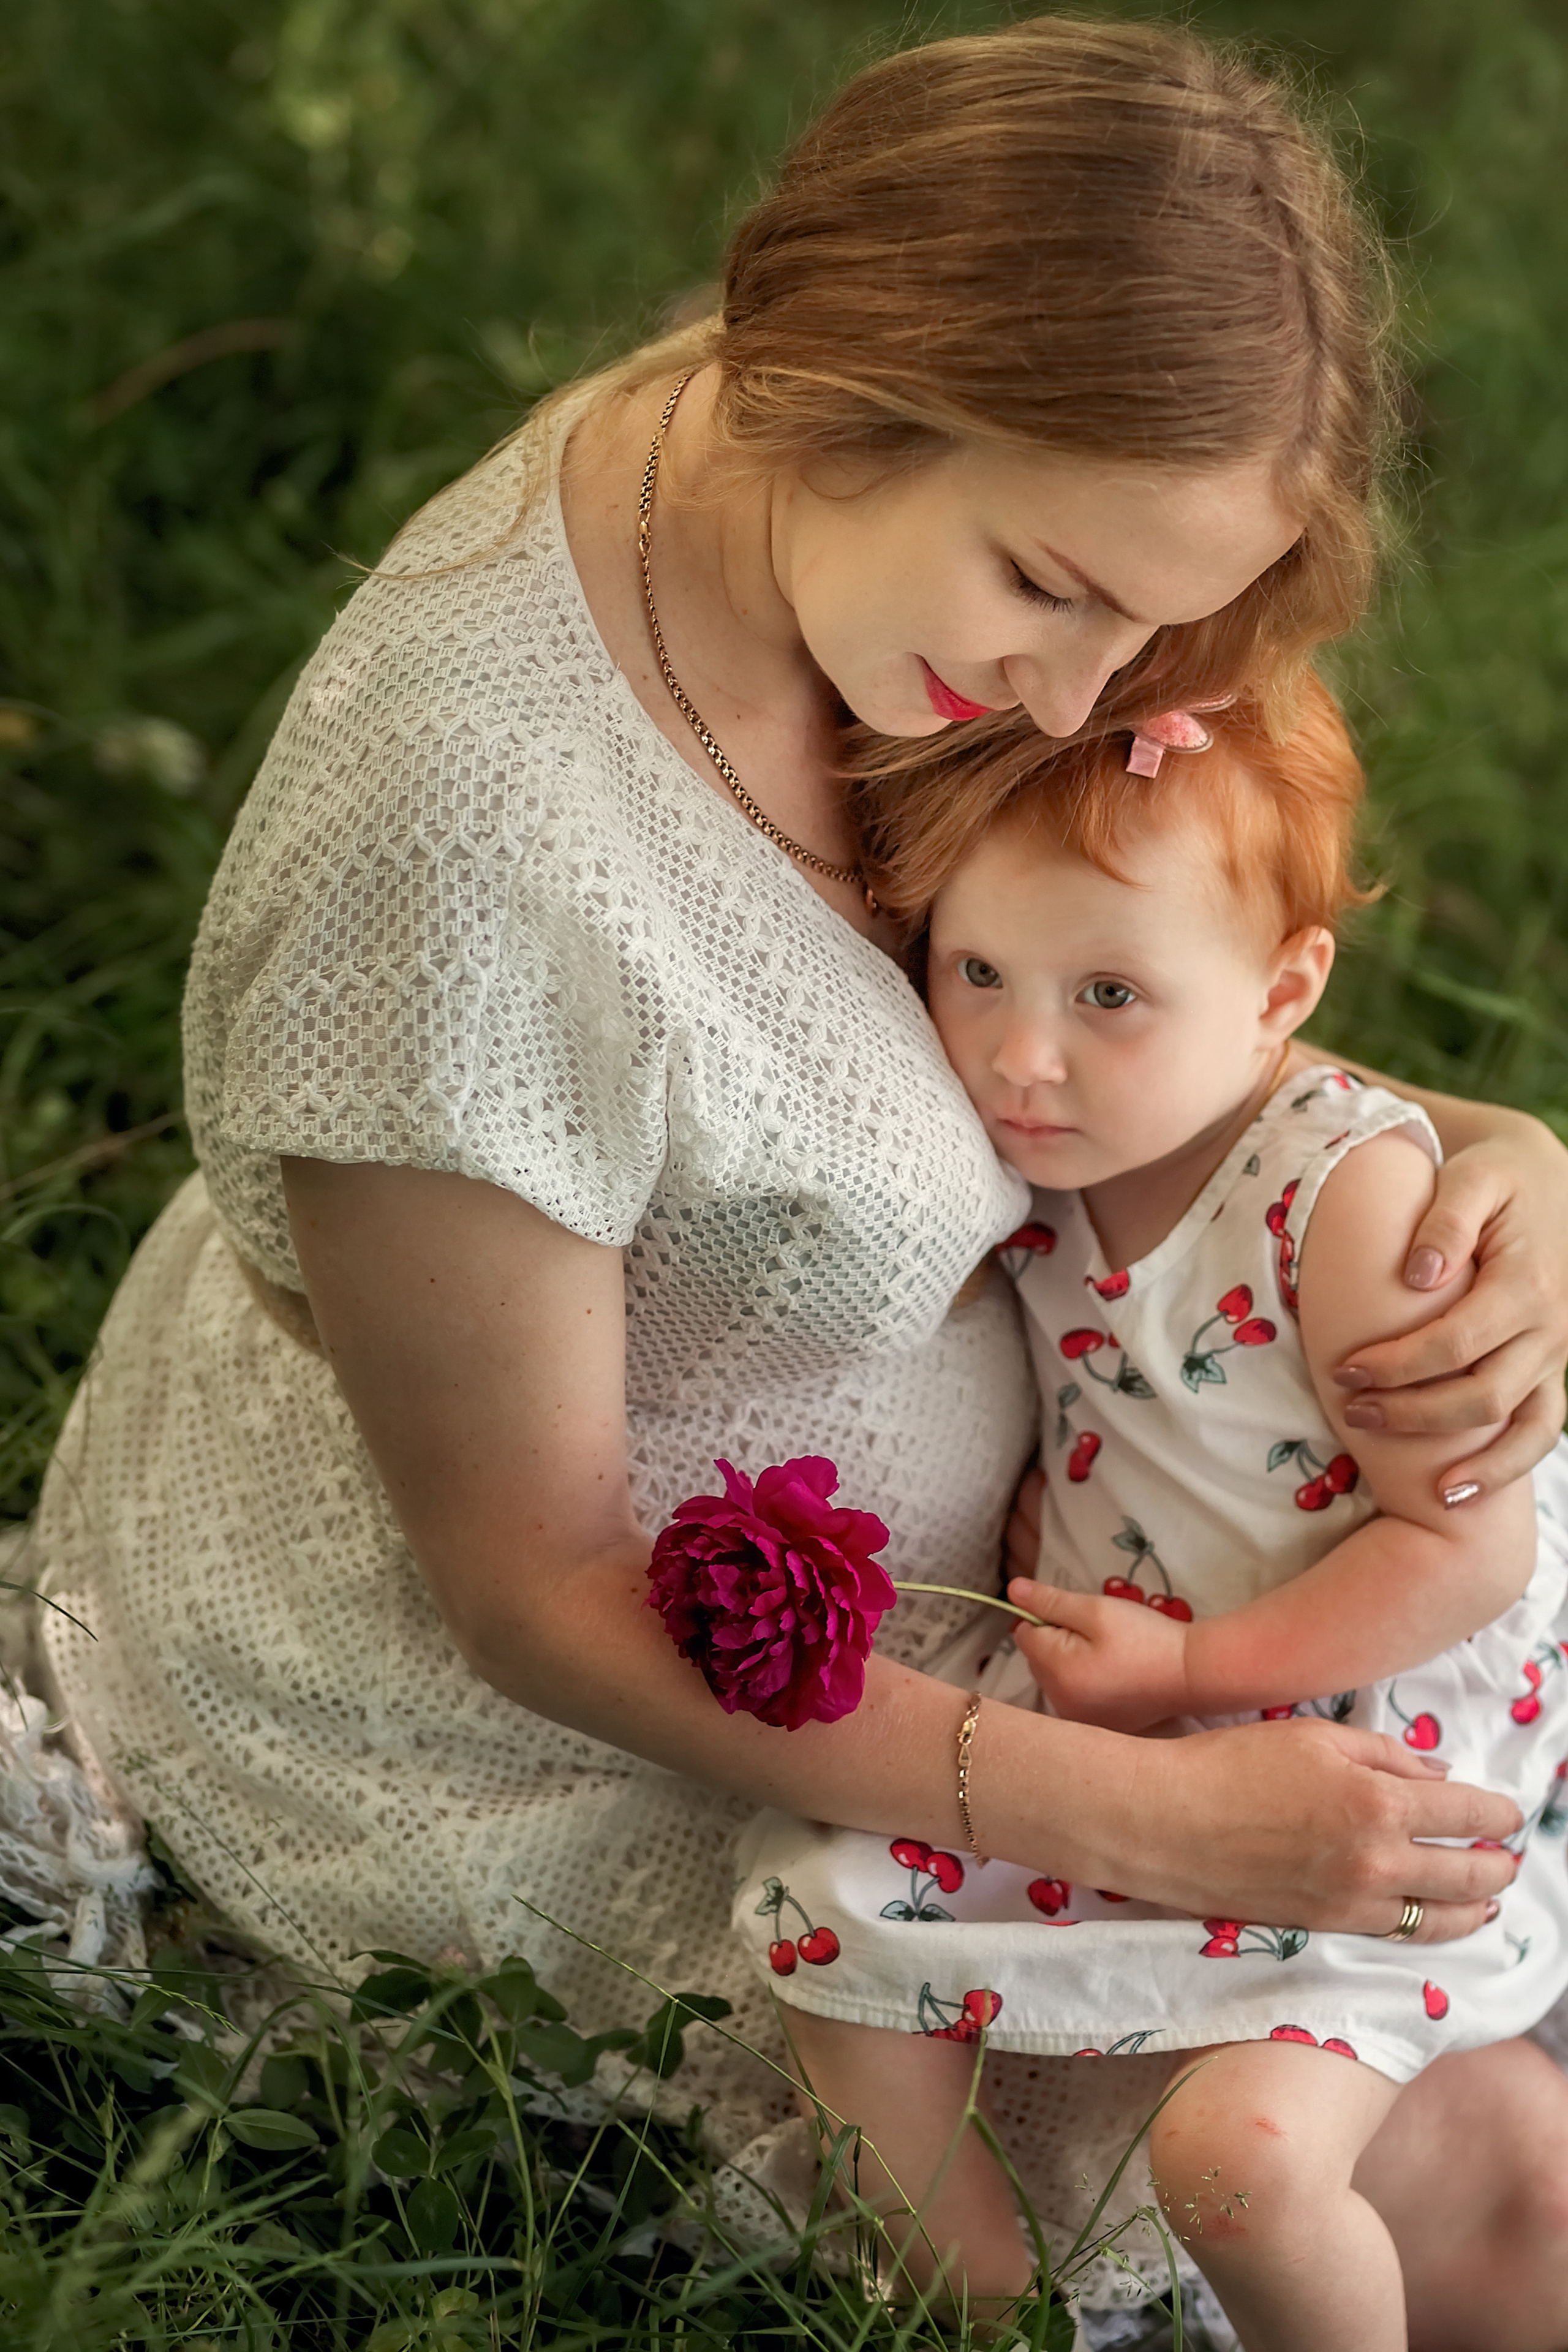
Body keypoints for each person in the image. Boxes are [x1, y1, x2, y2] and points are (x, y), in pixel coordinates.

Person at [27, 16, 1568, 2342]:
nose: (1078, 703)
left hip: (1118, 1528)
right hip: (583, 1718)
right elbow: (532, 1587)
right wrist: (1133, 1815)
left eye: (1142, 630)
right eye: (1054, 586)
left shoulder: (832, 533)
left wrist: (1488, 1151)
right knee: (1474, 2173)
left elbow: (1110, 959)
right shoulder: (473, 839)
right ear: (844, 376)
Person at [735, 679, 1568, 2345]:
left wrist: (1197, 1667)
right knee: (816, 1916)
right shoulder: (1047, 1153)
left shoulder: (1344, 1200)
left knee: (1241, 2171)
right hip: (1144, 1691)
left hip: (1371, 1744)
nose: (1021, 1056)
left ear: (1283, 996)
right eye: (979, 973)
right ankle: (983, 2310)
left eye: (1110, 993)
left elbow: (1470, 1547)